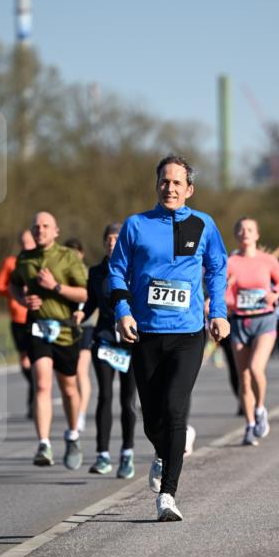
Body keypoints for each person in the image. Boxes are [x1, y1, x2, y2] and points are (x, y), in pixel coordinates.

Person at [109, 154, 229, 522]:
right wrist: (122, 312)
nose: (170, 187)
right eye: (165, 181)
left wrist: (219, 312)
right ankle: (164, 452)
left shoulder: (203, 225)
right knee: (151, 418)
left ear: (189, 189)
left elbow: (217, 269)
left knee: (176, 409)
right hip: (145, 333)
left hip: (188, 334)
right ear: (156, 184)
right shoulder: (136, 226)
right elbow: (116, 272)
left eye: (178, 182)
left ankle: (168, 496)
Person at [10, 212, 88, 467]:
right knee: (42, 384)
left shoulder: (68, 257)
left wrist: (56, 287)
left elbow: (85, 294)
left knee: (68, 388)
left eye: (45, 226)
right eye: (36, 227)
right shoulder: (24, 258)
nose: (40, 230)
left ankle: (73, 434)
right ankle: (44, 444)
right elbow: (13, 285)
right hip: (38, 329)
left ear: (55, 231)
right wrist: (23, 300)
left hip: (65, 331)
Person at [78, 223, 137, 479]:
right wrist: (81, 314)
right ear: (104, 243)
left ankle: (127, 454)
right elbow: (91, 302)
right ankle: (102, 455)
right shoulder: (96, 272)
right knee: (104, 396)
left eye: (117, 239)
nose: (112, 243)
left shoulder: (137, 269)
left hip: (131, 340)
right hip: (104, 339)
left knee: (127, 400)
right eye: (108, 239)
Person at [226, 218, 279, 445]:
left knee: (255, 368)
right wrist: (226, 295)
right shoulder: (230, 262)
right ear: (236, 235)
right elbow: (222, 293)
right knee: (243, 377)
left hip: (264, 320)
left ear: (257, 234)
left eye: (250, 229)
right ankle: (250, 425)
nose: (245, 233)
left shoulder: (268, 260)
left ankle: (261, 408)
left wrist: (274, 294)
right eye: (241, 229)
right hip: (241, 322)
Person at [0, 230, 36, 417]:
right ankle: (36, 388)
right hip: (18, 318)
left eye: (30, 242)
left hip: (38, 317)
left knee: (38, 359)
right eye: (23, 242)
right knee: (26, 362)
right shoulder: (11, 263)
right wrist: (16, 292)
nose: (26, 245)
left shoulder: (41, 261)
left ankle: (35, 396)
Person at [65, 237, 92, 433]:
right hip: (68, 327)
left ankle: (81, 413)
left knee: (82, 371)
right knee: (71, 374)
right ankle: (75, 411)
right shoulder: (62, 276)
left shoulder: (89, 274)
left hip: (87, 327)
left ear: (81, 254)